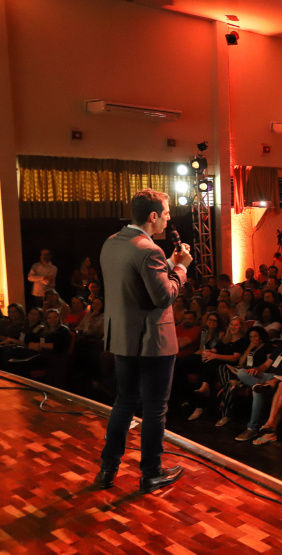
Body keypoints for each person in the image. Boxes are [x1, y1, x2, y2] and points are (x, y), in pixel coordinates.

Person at [93, 188, 192, 494]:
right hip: (153, 342)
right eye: (165, 214)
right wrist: (181, 267)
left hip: (123, 337)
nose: (167, 219)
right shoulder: (150, 251)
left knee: (124, 402)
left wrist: (168, 266)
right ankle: (151, 473)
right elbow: (163, 297)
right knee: (154, 409)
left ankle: (107, 471)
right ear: (152, 217)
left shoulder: (112, 243)